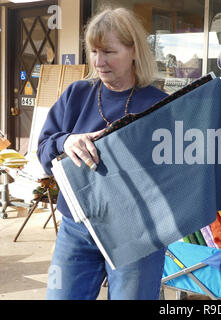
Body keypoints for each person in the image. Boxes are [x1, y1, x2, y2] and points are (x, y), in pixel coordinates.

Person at [37, 7, 168, 300]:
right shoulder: (76, 95)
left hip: (138, 234)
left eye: (109, 52)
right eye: (94, 51)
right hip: (77, 226)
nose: (99, 62)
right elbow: (44, 151)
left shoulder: (162, 106)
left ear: (133, 50)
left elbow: (179, 173)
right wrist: (65, 142)